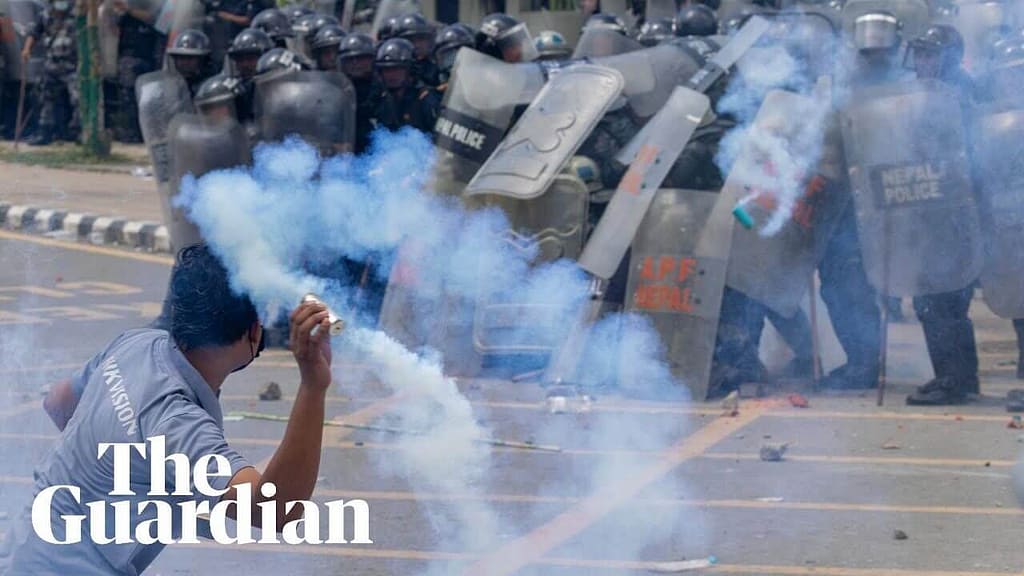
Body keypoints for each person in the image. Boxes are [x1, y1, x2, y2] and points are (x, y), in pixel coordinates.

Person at [0, 244, 334, 574]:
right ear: (254, 331)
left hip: (20, 554)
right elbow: (276, 509)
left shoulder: (136, 344)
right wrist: (313, 386)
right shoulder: (178, 422)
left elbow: (58, 402)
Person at [904, 25, 980, 405]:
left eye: (929, 55)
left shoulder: (955, 96)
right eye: (918, 54)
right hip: (936, 210)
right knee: (944, 299)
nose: (921, 62)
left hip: (951, 213)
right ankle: (960, 377)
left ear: (946, 58)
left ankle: (953, 379)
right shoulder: (932, 92)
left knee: (938, 299)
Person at [112, 0, 164, 143]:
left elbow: (155, 19)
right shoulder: (125, 14)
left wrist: (129, 10)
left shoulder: (154, 6)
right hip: (129, 57)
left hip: (149, 58)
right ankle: (131, 133)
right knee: (128, 98)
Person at [28, 0, 77, 146]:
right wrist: (27, 49)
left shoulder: (77, 14)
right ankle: (46, 132)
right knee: (46, 98)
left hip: (73, 64)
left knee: (78, 99)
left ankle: (77, 132)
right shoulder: (45, 15)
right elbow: (34, 33)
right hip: (52, 64)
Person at [372, 37, 439, 134]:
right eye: (386, 70)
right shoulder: (383, 102)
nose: (391, 75)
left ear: (410, 70)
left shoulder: (426, 100)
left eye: (397, 69)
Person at [339, 32, 378, 153]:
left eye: (361, 58)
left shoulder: (383, 89)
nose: (355, 63)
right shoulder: (337, 90)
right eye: (350, 59)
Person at [225, 27, 274, 124]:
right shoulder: (236, 93)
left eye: (251, 59)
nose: (245, 65)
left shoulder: (279, 85)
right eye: (240, 60)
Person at [203, 0, 255, 67]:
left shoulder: (251, 3)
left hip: (246, 42)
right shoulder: (225, 3)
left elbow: (248, 20)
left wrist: (227, 16)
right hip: (222, 43)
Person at [166, 28, 215, 99]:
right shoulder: (172, 85)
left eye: (190, 58)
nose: (185, 62)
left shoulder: (212, 86)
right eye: (181, 58)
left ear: (204, 60)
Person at [395, 13, 439, 87]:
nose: (417, 45)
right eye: (410, 40)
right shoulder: (390, 71)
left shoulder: (436, 70)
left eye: (421, 39)